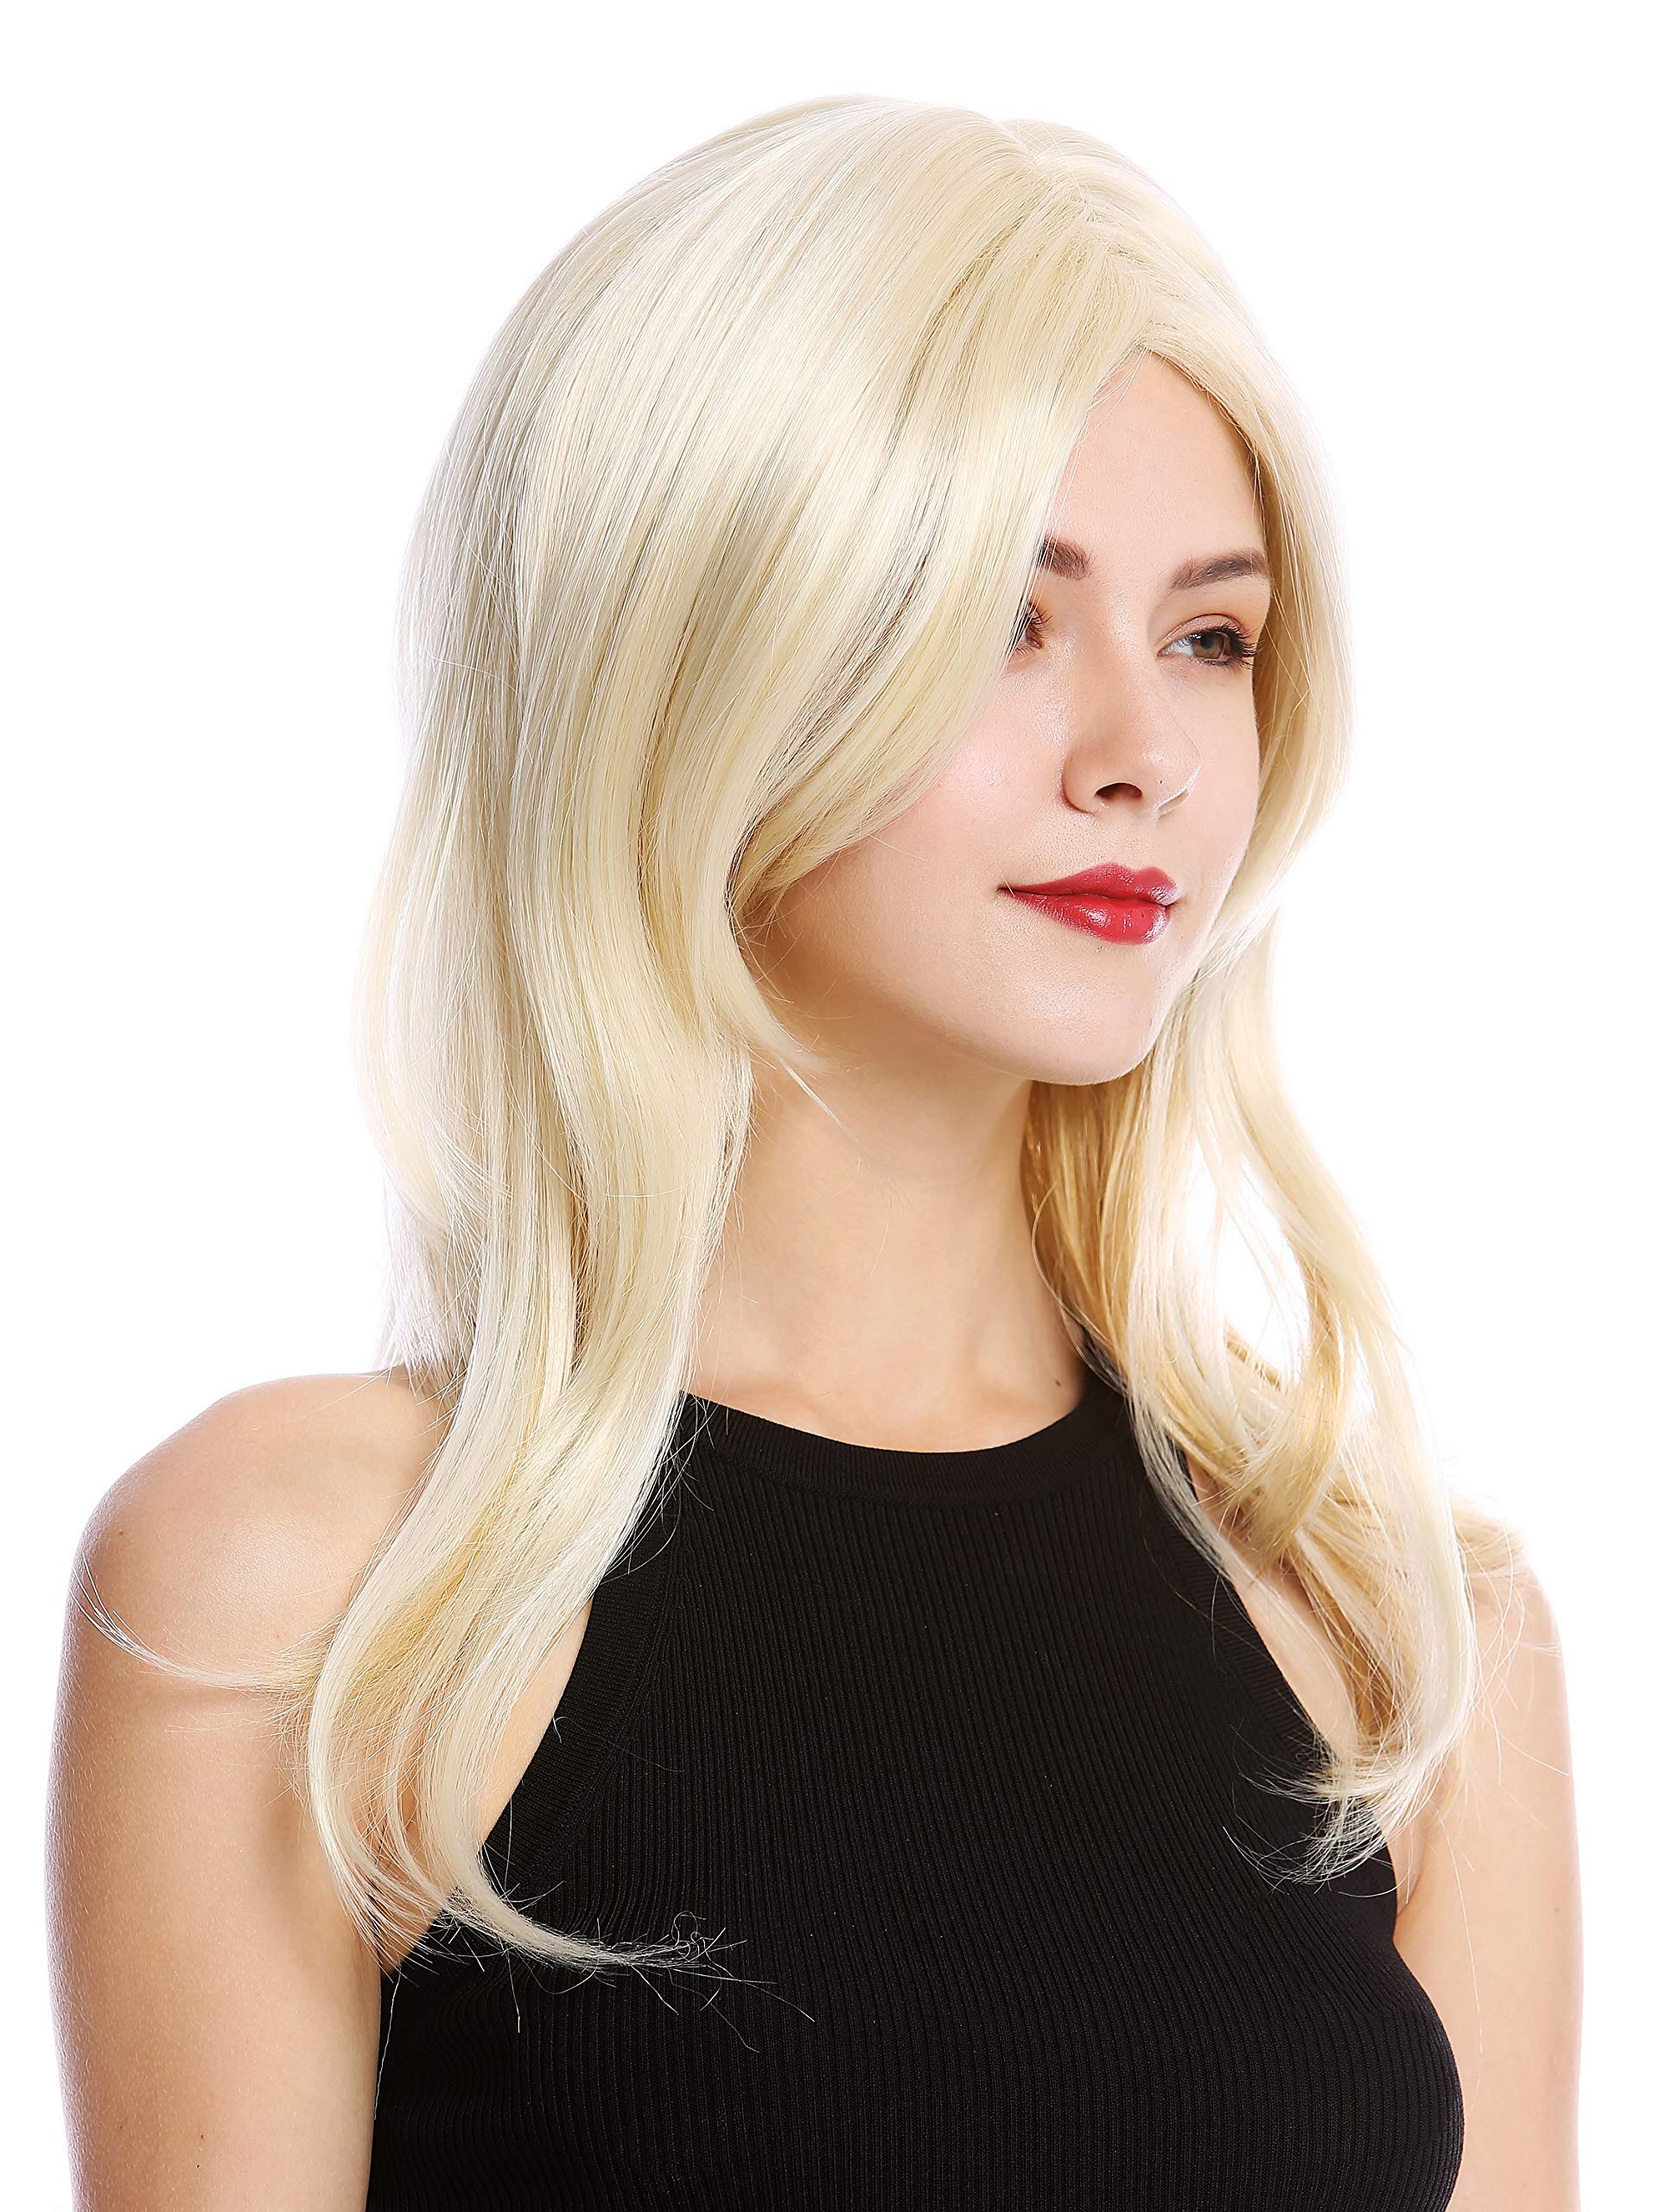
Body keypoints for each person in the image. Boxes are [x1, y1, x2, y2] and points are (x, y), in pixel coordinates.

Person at [47, 93, 1581, 2209]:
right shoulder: (315, 1588)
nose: (1144, 754)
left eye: (1209, 637)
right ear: (702, 657)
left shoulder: (1400, 1628)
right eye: (1003, 616)